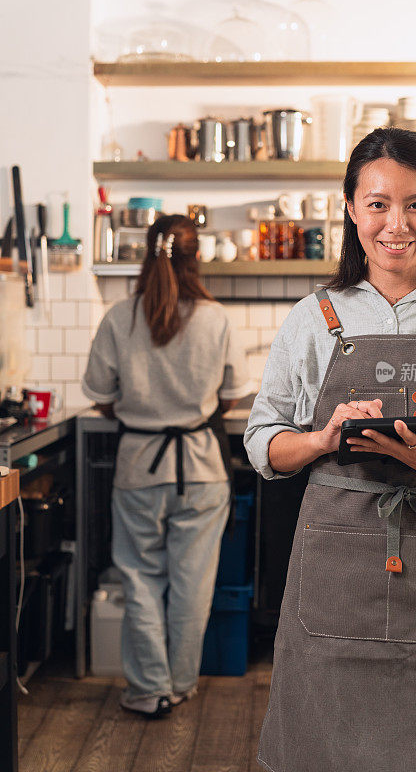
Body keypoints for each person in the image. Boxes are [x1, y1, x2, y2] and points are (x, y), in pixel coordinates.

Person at [244, 127, 416, 772]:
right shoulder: (316, 315)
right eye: (378, 203)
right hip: (338, 567)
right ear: (350, 209)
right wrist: (321, 437)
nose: (397, 223)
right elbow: (263, 442)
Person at [82, 214, 251, 718]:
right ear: (195, 256)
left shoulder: (119, 317)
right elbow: (230, 397)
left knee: (139, 580)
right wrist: (189, 414)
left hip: (138, 465)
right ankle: (180, 684)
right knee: (193, 584)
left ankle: (149, 689)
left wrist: (145, 415)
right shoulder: (215, 318)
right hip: (201, 468)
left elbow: (101, 397)